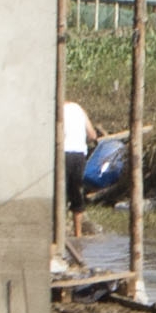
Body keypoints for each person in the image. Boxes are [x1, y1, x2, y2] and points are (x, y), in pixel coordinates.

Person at [57, 95, 95, 238]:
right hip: (79, 155)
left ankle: (59, 233)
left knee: (61, 193)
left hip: (63, 154)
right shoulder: (79, 109)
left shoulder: (57, 111)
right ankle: (78, 234)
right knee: (76, 193)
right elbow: (92, 135)